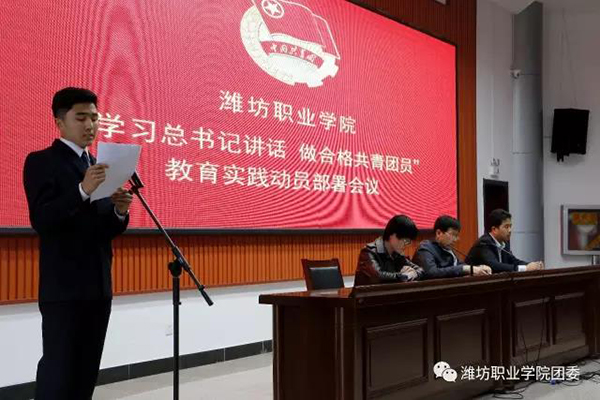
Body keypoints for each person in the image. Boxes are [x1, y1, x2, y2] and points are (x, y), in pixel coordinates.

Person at [23, 87, 133, 399]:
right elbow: (43, 220)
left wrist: (119, 211)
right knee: (59, 373)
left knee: (86, 373)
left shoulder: (98, 165)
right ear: (60, 122)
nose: (90, 125)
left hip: (98, 285)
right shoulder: (42, 162)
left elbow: (102, 229)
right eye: (81, 118)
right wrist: (82, 190)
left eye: (95, 118)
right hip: (64, 289)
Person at [465, 209, 544, 273]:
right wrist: (525, 268)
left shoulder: (503, 243)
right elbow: (495, 266)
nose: (510, 230)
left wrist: (532, 265)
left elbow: (513, 261)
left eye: (510, 226)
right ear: (494, 229)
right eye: (506, 227)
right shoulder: (484, 243)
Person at [354, 215, 424, 286]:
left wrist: (412, 274)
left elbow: (420, 270)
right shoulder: (369, 252)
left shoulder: (397, 255)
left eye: (408, 242)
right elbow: (377, 277)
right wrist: (403, 276)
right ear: (392, 235)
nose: (406, 245)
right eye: (405, 241)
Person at [413, 215, 492, 278]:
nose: (456, 239)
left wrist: (478, 268)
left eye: (457, 235)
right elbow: (431, 272)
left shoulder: (447, 248)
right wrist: (464, 269)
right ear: (439, 233)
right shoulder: (425, 248)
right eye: (453, 235)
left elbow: (461, 266)